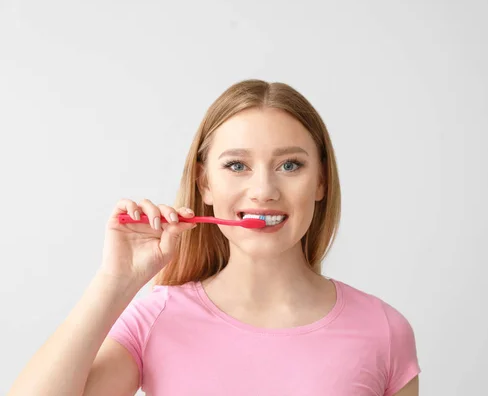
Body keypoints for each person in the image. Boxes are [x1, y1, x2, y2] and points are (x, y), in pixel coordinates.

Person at [9, 79, 421, 395]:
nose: (264, 190)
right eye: (237, 166)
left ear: (321, 182)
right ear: (205, 185)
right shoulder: (157, 318)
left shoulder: (383, 330)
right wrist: (115, 281)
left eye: (290, 165)